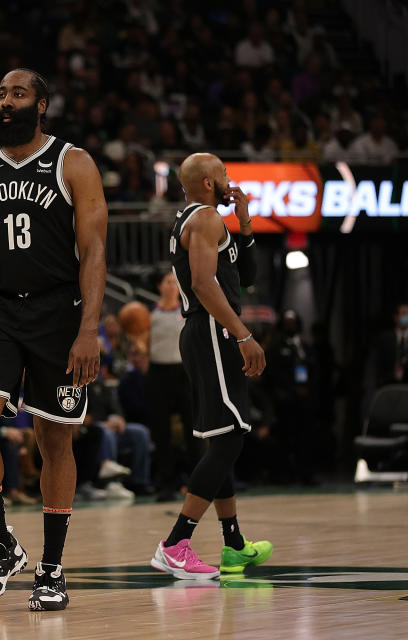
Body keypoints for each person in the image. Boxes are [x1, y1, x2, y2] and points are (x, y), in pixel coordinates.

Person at [0, 69, 108, 611]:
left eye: (18, 95)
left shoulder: (74, 163)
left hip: (58, 312)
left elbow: (94, 249)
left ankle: (52, 568)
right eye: (0, 94)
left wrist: (90, 328)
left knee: (54, 442)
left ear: (42, 105)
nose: (6, 102)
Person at [149, 153, 272, 580]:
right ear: (206, 182)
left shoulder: (208, 219)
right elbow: (203, 285)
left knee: (223, 436)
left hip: (209, 333)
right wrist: (242, 335)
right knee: (230, 439)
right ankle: (175, 544)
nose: (229, 179)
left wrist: (246, 219)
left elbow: (247, 276)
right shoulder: (203, 219)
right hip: (213, 332)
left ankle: (234, 545)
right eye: (222, 174)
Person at [145, 270, 198, 500]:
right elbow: (142, 345)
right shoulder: (148, 315)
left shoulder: (187, 311)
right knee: (161, 431)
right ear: (159, 286)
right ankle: (166, 483)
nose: (173, 285)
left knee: (193, 429)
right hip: (158, 372)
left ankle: (197, 483)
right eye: (168, 281)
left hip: (184, 372)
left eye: (176, 281)